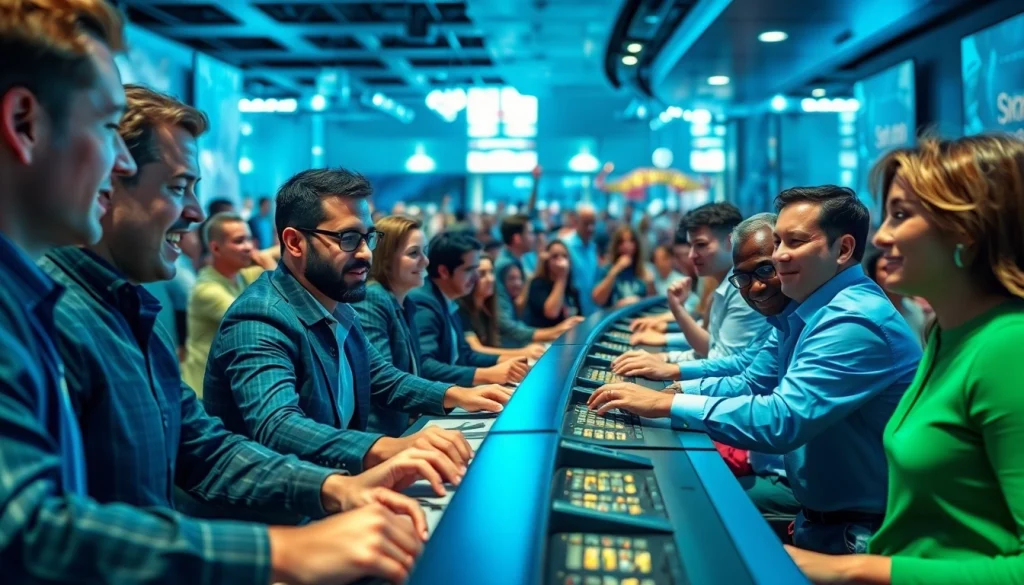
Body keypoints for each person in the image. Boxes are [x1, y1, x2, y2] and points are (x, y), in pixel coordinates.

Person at [0, 6, 423, 583]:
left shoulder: (124, 306)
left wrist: (333, 487)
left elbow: (202, 446)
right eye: (105, 129)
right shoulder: (44, 312)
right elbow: (28, 534)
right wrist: (282, 554)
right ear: (24, 122)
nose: (196, 213)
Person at [591, 185, 922, 555]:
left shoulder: (852, 321)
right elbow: (752, 380)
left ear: (843, 250)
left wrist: (667, 405)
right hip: (826, 520)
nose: (780, 256)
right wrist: (673, 393)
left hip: (859, 531)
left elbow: (782, 419)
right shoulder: (804, 311)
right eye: (778, 241)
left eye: (793, 242)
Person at [788, 136, 1024, 585]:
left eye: (900, 215)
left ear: (967, 229)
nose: (880, 237)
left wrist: (852, 568)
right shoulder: (946, 335)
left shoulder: (1009, 348)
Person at [204, 168, 513, 479]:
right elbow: (278, 424)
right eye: (348, 238)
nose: (366, 254)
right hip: (281, 517)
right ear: (295, 242)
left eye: (368, 237)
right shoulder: (261, 316)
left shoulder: (338, 305)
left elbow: (382, 378)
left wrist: (458, 395)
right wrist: (386, 447)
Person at [613, 203, 768, 376]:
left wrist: (669, 365)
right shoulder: (724, 282)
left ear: (730, 242)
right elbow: (711, 345)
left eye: (700, 245)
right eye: (691, 246)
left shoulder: (743, 290)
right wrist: (666, 357)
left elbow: (721, 361)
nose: (691, 255)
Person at [411, 231, 532, 387]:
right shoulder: (424, 303)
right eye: (470, 270)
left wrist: (506, 360)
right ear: (444, 271)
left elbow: (465, 354)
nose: (476, 278)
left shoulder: (447, 299)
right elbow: (425, 366)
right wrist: (486, 375)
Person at [182, 211, 278, 396]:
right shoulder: (207, 290)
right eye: (239, 241)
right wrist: (271, 269)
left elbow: (278, 252)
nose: (248, 247)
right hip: (202, 394)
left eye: (250, 239)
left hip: (224, 386)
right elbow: (255, 321)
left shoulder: (240, 274)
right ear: (216, 249)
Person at [456, 256, 548, 362]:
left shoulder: (487, 309)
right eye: (482, 274)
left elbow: (493, 348)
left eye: (491, 272)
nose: (490, 279)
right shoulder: (461, 309)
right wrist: (523, 352)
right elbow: (476, 350)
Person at [864, 248, 928, 345]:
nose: (895, 273)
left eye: (900, 267)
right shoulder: (865, 313)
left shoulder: (915, 310)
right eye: (886, 269)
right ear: (874, 276)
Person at [523, 239, 584, 328]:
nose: (560, 260)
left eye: (564, 256)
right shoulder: (538, 285)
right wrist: (561, 277)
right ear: (547, 262)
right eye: (555, 256)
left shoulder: (572, 290)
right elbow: (552, 312)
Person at [592, 224, 655, 308]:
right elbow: (597, 299)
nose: (627, 246)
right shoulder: (606, 269)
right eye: (622, 242)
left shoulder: (644, 271)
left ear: (636, 245)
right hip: (614, 318)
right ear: (616, 246)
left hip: (638, 318)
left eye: (631, 241)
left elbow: (652, 303)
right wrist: (615, 270)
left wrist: (639, 299)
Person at [564, 202, 601, 315]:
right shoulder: (565, 245)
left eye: (593, 223)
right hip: (573, 312)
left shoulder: (593, 247)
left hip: (592, 310)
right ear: (576, 222)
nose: (590, 228)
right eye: (586, 224)